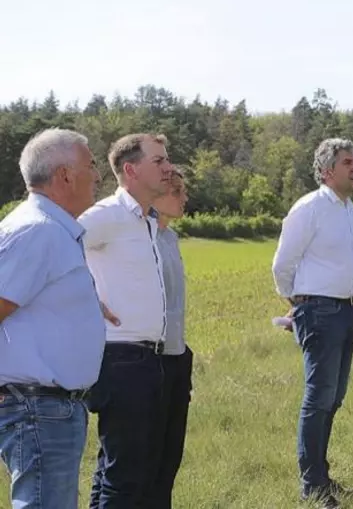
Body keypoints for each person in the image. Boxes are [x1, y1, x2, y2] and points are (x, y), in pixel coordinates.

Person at [0, 128, 107, 508]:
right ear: (64, 175)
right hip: (36, 407)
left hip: (49, 407)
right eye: (91, 165)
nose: (97, 175)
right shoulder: (38, 231)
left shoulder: (52, 230)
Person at [78, 133, 174, 508]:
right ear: (131, 169)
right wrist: (87, 294)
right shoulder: (107, 215)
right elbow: (57, 246)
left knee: (119, 469)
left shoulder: (145, 220)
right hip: (121, 358)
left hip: (146, 358)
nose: (168, 168)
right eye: (159, 161)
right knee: (126, 474)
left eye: (167, 160)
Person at [271, 138, 353, 509]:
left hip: (346, 309)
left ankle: (322, 478)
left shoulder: (347, 208)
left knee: (333, 397)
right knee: (319, 397)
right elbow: (282, 264)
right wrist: (298, 302)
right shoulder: (309, 208)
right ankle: (313, 487)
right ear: (327, 171)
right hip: (320, 312)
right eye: (347, 162)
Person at [149, 168, 193, 507]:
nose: (184, 197)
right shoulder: (140, 236)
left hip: (178, 353)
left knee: (169, 453)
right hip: (149, 357)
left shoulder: (170, 238)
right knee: (140, 457)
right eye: (176, 191)